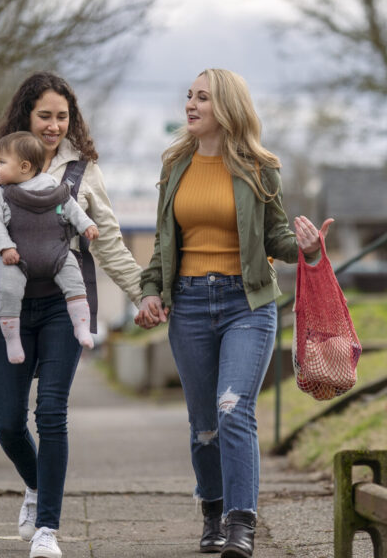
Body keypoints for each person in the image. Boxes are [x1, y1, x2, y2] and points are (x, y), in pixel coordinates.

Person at [136, 68, 332, 558]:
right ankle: (212, 509)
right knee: (203, 423)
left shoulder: (259, 166)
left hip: (246, 303)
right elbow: (164, 242)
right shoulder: (174, 164)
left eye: (202, 97)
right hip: (189, 305)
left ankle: (240, 522)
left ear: (226, 106)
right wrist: (150, 291)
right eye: (189, 96)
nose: (191, 105)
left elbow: (275, 236)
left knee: (232, 409)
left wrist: (307, 248)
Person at [0, 72, 145, 558]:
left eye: (63, 116)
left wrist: (145, 295)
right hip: (10, 306)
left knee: (51, 412)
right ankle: (38, 487)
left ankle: (47, 530)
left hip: (64, 305)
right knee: (8, 423)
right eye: (45, 116)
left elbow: (112, 245)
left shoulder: (82, 172)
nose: (55, 126)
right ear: (26, 116)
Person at [0, 131, 99, 357]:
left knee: (76, 283)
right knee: (8, 291)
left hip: (56, 254)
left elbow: (71, 208)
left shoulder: (53, 187)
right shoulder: (2, 194)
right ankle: (12, 341)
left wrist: (86, 225)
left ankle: (81, 327)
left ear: (25, 166)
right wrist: (5, 247)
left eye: (1, 162)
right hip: (16, 259)